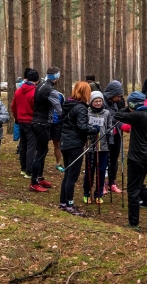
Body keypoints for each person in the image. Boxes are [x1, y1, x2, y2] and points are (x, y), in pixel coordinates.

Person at [114, 91, 147, 231]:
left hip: (136, 158)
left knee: (132, 190)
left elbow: (117, 115)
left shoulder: (137, 115)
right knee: (139, 185)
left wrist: (129, 108)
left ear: (132, 104)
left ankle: (133, 223)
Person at [59, 81, 100, 215]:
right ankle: (69, 204)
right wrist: (94, 129)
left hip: (65, 143)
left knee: (68, 173)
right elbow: (82, 127)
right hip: (74, 144)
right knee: (72, 176)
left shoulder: (68, 104)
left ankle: (63, 202)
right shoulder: (81, 108)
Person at [29, 66, 62, 192]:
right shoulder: (51, 91)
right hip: (42, 124)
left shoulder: (40, 85)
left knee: (43, 150)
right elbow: (59, 110)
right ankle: (34, 182)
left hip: (36, 121)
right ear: (56, 78)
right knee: (41, 152)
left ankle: (40, 178)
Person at [83, 91, 112, 204]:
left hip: (103, 147)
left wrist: (110, 138)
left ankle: (99, 194)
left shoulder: (106, 113)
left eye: (100, 101)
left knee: (101, 171)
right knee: (90, 171)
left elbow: (109, 126)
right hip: (90, 147)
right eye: (96, 101)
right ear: (91, 102)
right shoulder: (87, 113)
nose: (98, 103)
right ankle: (86, 193)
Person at [103, 80, 130, 193]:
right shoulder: (101, 102)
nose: (119, 98)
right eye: (118, 96)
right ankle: (102, 184)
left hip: (116, 135)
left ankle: (112, 182)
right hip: (105, 136)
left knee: (114, 159)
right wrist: (120, 123)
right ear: (112, 94)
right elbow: (111, 118)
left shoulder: (115, 103)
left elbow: (117, 116)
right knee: (105, 159)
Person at [11, 69, 38, 179]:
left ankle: (23, 168)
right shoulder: (35, 92)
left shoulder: (18, 91)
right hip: (30, 121)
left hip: (21, 121)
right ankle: (29, 170)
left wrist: (17, 118)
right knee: (31, 146)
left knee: (23, 144)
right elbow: (35, 107)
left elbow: (13, 106)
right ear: (36, 80)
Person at [14, 67, 33, 154]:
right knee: (28, 141)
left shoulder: (20, 85)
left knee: (23, 138)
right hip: (27, 116)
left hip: (20, 115)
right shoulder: (27, 86)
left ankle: (21, 151)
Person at [51, 89, 65, 172]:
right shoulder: (42, 94)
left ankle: (58, 164)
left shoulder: (60, 95)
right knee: (41, 145)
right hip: (45, 123)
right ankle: (38, 163)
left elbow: (62, 109)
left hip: (57, 123)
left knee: (57, 144)